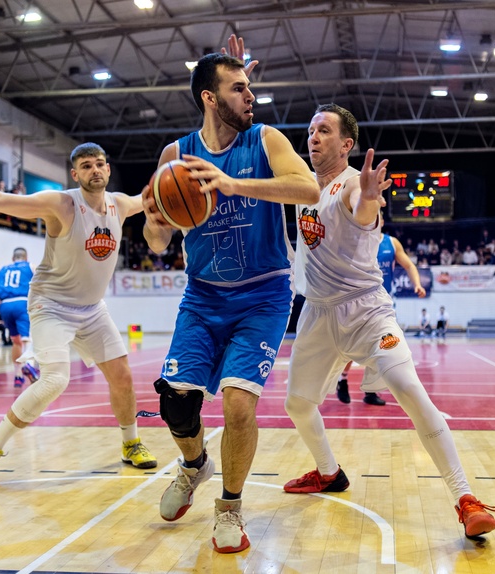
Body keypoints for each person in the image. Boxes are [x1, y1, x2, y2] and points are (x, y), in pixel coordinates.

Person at [282, 103, 495, 540]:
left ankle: (465, 498)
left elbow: (363, 213)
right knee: (297, 404)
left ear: (347, 144)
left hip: (366, 311)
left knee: (406, 387)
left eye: (324, 131)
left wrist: (367, 196)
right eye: (310, 130)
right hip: (318, 314)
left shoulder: (350, 187)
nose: (313, 137)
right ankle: (329, 472)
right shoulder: (305, 187)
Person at [140, 36, 320, 554]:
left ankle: (230, 507)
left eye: (250, 86)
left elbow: (307, 190)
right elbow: (157, 242)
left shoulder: (265, 140)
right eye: (239, 88)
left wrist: (235, 185)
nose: (251, 96)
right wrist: (156, 221)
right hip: (202, 297)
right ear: (209, 98)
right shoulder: (176, 156)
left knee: (239, 406)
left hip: (263, 294)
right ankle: (194, 466)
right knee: (176, 405)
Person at [0, 141, 159, 487]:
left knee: (122, 377)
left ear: (108, 169)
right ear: (75, 173)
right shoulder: (62, 204)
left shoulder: (120, 204)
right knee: (54, 380)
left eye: (100, 164)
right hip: (51, 305)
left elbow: (157, 196)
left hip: (92, 309)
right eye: (87, 166)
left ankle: (130, 443)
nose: (95, 170)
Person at [336, 211, 426, 406]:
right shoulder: (356, 240)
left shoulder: (392, 243)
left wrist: (417, 284)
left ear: (382, 221)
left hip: (383, 304)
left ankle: (370, 390)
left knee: (383, 345)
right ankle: (342, 379)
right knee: (352, 346)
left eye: (377, 216)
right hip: (359, 301)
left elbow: (409, 265)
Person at [0, 247, 38, 388]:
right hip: (22, 301)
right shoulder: (31, 266)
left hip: (4, 306)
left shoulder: (1, 269)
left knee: (16, 341)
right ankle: (28, 365)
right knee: (28, 337)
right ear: (26, 257)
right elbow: (44, 281)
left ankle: (17, 376)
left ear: (13, 258)